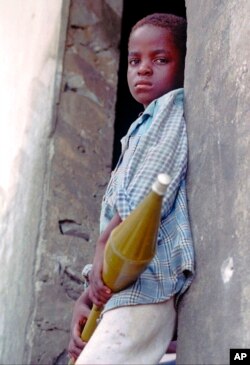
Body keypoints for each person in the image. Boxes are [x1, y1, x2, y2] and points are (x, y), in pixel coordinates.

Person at [68, 12, 195, 364]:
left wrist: (102, 243)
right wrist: (89, 292)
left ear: (186, 64)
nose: (143, 69)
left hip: (147, 290)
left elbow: (147, 198)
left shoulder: (172, 107)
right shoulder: (138, 130)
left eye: (161, 59)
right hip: (123, 295)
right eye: (135, 60)